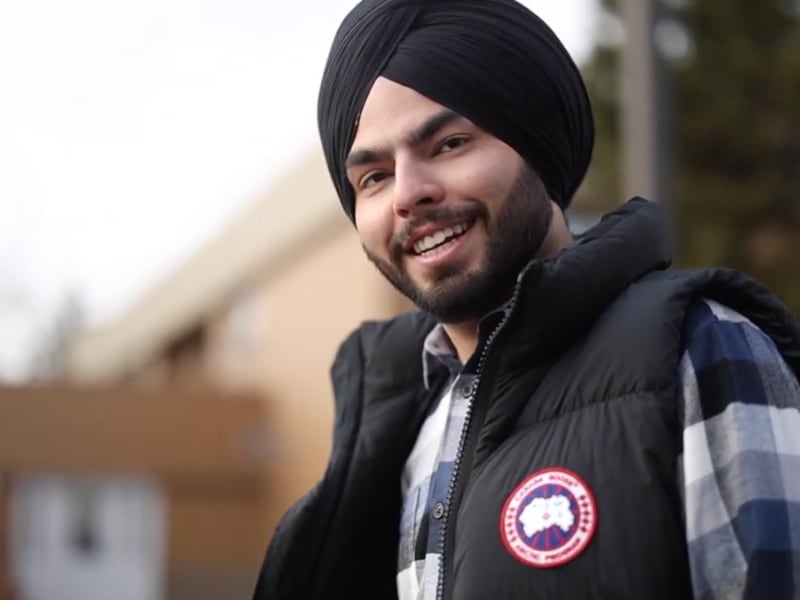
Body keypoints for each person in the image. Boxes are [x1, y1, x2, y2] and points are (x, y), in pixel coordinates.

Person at [253, 1, 800, 598]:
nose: (408, 194)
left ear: (536, 144)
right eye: (374, 177)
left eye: (449, 144)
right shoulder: (399, 435)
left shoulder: (699, 348)